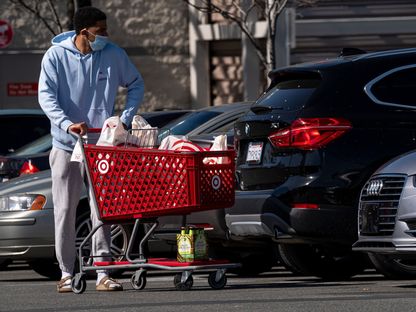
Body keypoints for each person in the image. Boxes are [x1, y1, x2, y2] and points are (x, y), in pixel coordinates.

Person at [38, 6, 144, 293]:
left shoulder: (113, 54)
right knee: (65, 210)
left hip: (101, 146)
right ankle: (65, 273)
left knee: (102, 211)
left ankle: (103, 273)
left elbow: (136, 84)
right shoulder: (56, 56)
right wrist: (66, 124)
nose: (106, 35)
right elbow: (46, 97)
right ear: (84, 32)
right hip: (65, 144)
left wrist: (123, 118)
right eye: (101, 30)